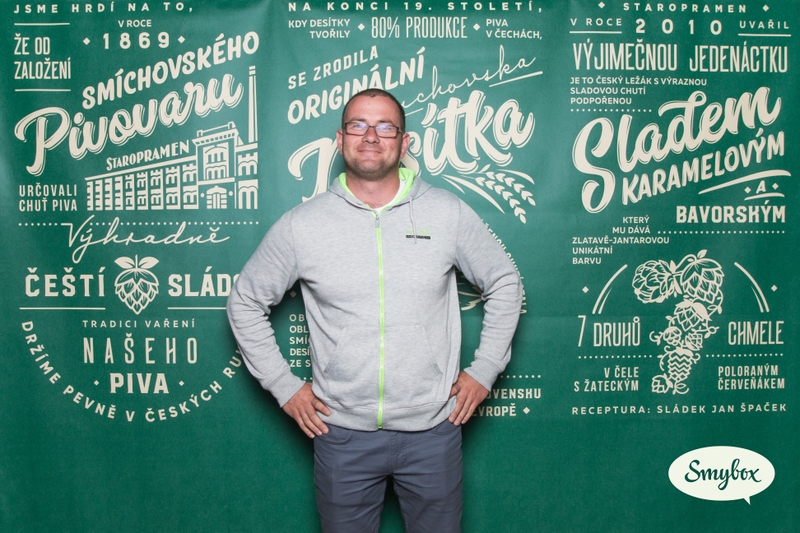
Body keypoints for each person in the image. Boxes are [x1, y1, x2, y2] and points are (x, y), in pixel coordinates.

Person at [227, 89, 523, 532]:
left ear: (404, 143)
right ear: (340, 139)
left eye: (385, 127)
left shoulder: (447, 213)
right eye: (358, 125)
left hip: (433, 431)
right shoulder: (302, 225)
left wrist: (484, 370)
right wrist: (283, 386)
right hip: (341, 435)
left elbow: (504, 282)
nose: (370, 136)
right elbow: (246, 301)